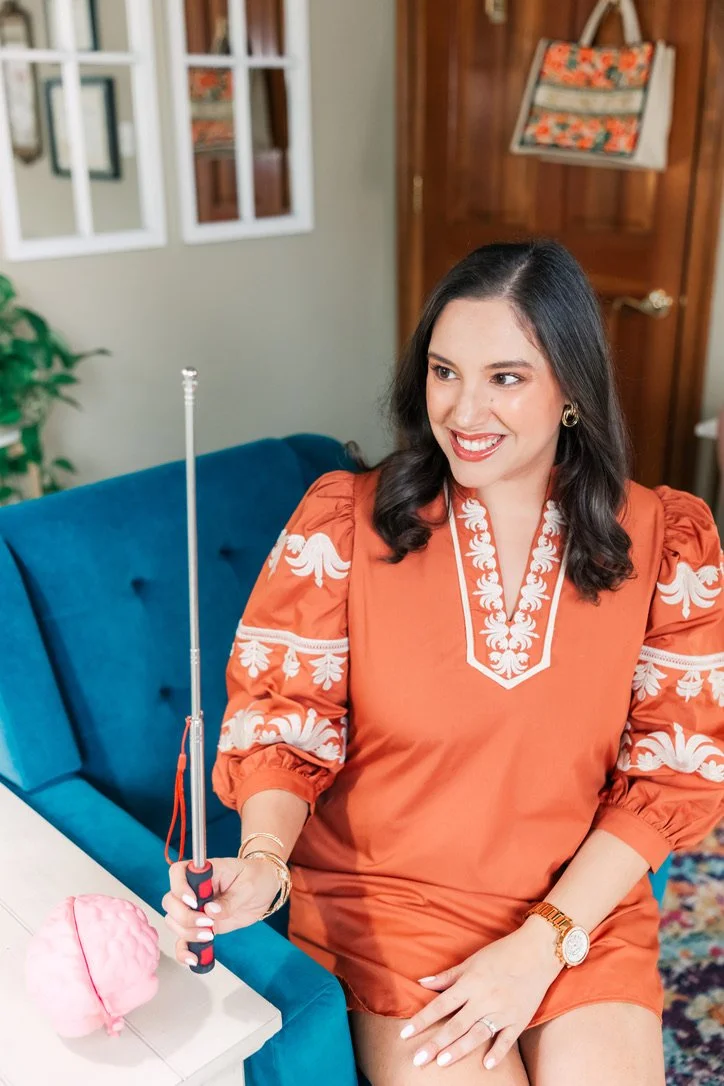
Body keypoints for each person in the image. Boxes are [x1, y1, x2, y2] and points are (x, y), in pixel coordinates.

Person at [164, 240, 724, 1085]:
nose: (464, 410)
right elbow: (285, 723)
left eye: (507, 377)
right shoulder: (343, 524)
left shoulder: (666, 539)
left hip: (577, 907)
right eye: (444, 371)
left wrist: (544, 942)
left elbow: (670, 778)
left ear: (571, 390)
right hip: (393, 907)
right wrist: (265, 864)